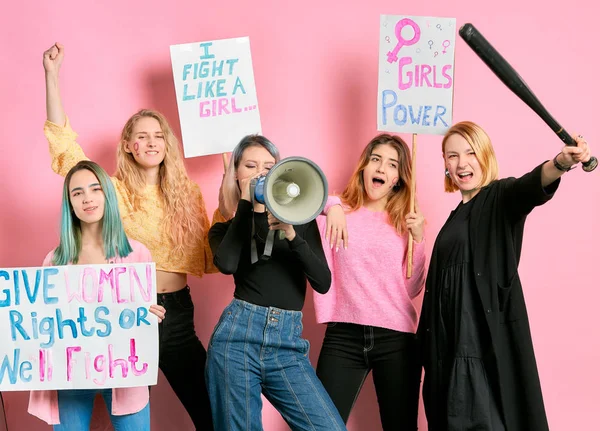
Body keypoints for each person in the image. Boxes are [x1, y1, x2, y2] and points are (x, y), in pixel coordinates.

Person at [42, 43, 222, 429]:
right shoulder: (112, 192)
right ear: (128, 145)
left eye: (159, 134)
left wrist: (230, 184)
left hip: (177, 313)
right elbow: (67, 152)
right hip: (124, 312)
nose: (152, 141)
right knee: (129, 417)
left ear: (167, 143)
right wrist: (52, 77)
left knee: (211, 408)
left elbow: (213, 251)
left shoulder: (188, 192)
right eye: (141, 135)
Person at [417, 121, 592, 431]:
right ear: (444, 164)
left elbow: (528, 188)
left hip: (477, 354)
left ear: (484, 155)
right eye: (452, 155)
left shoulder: (498, 198)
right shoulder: (454, 216)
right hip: (448, 353)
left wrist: (561, 163)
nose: (461, 163)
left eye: (470, 152)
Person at [207, 135, 347, 431]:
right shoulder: (224, 228)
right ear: (236, 173)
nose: (260, 172)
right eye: (250, 165)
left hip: (287, 343)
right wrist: (245, 204)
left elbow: (322, 282)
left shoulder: (300, 220)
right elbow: (227, 264)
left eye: (269, 166)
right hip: (236, 340)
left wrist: (294, 235)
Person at [28, 160, 166, 430]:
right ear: (70, 203)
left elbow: (141, 315)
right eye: (77, 193)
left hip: (125, 376)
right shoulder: (55, 260)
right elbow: (44, 320)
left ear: (107, 194)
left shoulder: (136, 253)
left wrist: (151, 315)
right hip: (71, 374)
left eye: (95, 189)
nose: (87, 199)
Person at [312, 134, 426, 429]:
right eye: (376, 159)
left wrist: (419, 240)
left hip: (395, 338)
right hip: (343, 336)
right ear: (364, 166)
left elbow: (411, 289)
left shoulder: (405, 222)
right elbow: (308, 200)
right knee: (320, 424)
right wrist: (333, 204)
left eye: (392, 164)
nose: (381, 168)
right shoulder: (337, 214)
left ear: (398, 179)